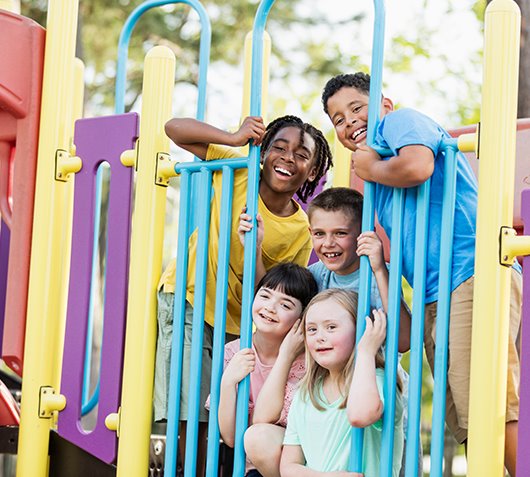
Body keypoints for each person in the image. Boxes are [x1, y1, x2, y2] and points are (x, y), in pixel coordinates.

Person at [321, 72, 522, 476]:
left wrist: (370, 168)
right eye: (338, 120)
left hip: (470, 272)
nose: (349, 123)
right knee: (461, 411)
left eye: (357, 108)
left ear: (385, 104)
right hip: (435, 294)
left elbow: (418, 166)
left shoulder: (400, 123)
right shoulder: (379, 187)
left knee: (487, 401)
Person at [154, 115, 333, 475]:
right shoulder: (238, 171)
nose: (287, 158)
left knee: (232, 407)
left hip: (244, 321)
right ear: (264, 153)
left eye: (301, 155)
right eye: (279, 147)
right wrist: (235, 138)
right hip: (191, 297)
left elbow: (278, 297)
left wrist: (256, 249)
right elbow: (174, 129)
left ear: (312, 171)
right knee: (187, 400)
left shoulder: (300, 227)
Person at [280, 289, 404, 477]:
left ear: (361, 332)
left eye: (331, 327)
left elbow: (360, 416)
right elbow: (288, 467)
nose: (320, 336)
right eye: (312, 329)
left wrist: (365, 352)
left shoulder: (379, 381)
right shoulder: (306, 392)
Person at [210, 263, 318, 477]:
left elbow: (266, 424)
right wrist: (228, 382)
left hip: (299, 462)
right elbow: (231, 437)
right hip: (255, 467)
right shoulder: (235, 352)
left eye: (285, 305)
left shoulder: (307, 361)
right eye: (265, 296)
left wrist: (286, 356)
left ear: (302, 318)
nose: (270, 307)